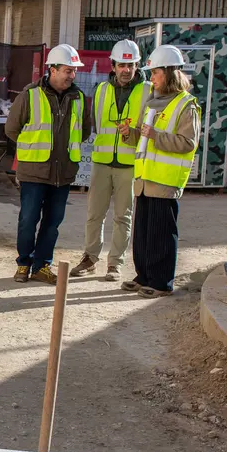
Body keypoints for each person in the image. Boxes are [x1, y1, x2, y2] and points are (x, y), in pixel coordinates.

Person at [5, 43, 92, 285]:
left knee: (52, 224)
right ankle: (24, 263)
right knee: (28, 220)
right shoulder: (30, 95)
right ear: (52, 70)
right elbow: (11, 129)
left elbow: (84, 131)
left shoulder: (79, 99)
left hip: (62, 173)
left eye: (74, 70)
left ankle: (42, 266)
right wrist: (34, 146)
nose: (72, 75)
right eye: (67, 70)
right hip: (34, 171)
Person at [119, 44, 200, 298]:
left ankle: (161, 282)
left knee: (161, 234)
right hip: (144, 179)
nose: (151, 77)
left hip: (165, 181)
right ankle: (144, 276)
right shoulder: (153, 102)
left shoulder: (186, 105)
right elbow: (145, 140)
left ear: (170, 73)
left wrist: (156, 135)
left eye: (155, 72)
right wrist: (129, 135)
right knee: (142, 234)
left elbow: (188, 143)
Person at [70, 39, 148, 282]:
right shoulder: (102, 90)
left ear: (137, 65)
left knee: (122, 216)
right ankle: (90, 258)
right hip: (103, 161)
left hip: (129, 163)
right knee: (94, 214)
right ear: (113, 65)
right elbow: (96, 123)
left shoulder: (147, 91)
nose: (126, 70)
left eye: (131, 65)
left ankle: (115, 264)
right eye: (122, 65)